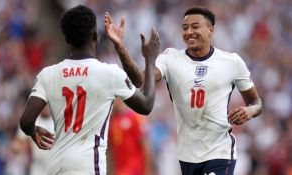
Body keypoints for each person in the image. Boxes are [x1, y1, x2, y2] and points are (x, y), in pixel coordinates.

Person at [105, 6, 263, 175]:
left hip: (220, 152)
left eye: (195, 27)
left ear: (211, 31)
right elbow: (140, 80)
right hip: (187, 156)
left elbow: (256, 102)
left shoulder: (231, 61)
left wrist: (250, 110)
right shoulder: (170, 59)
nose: (189, 32)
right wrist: (122, 48)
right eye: (185, 28)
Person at [19, 5, 160, 175]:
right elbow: (146, 104)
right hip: (88, 166)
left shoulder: (47, 75)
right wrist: (150, 61)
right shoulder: (109, 73)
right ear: (95, 36)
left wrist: (33, 132)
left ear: (67, 40)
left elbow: (26, 121)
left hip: (56, 165)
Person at [107, 99, 153, 175]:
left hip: (135, 169)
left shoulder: (135, 117)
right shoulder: (112, 122)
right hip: (120, 171)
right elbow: (111, 151)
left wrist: (148, 170)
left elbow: (145, 147)